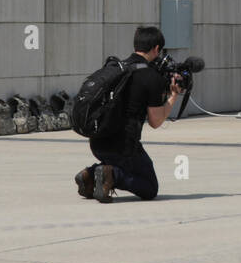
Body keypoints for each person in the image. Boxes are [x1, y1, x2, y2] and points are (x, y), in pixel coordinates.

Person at [75, 26, 183, 203]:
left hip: (97, 141)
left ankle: (91, 174)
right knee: (149, 187)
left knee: (130, 165)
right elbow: (156, 121)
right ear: (156, 48)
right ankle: (112, 175)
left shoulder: (118, 68)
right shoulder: (150, 77)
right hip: (123, 147)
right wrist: (173, 97)